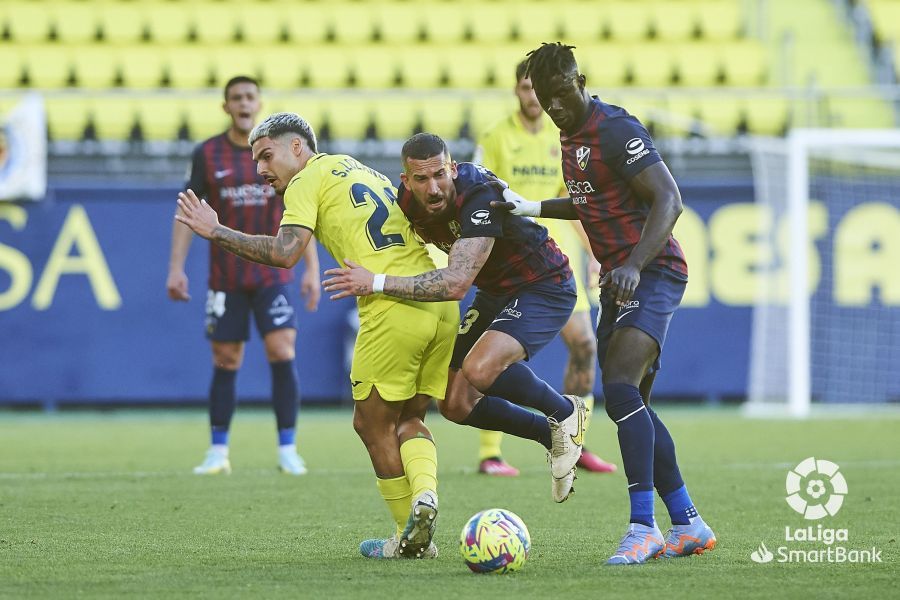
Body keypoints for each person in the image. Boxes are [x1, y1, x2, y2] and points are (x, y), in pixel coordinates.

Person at [175, 112, 457, 560]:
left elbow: (285, 253)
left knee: (370, 424)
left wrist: (216, 230)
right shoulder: (355, 167)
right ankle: (424, 495)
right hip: (438, 299)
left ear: (297, 149)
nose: (262, 170)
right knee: (408, 418)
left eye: (267, 156)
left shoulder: (307, 179)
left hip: (392, 305)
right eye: (255, 161)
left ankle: (410, 537)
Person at [494, 43, 716, 564]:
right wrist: (528, 206)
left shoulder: (615, 128)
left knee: (618, 387)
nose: (556, 108)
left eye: (562, 95)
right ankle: (688, 523)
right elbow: (591, 200)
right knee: (630, 403)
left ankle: (644, 527)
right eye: (547, 101)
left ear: (582, 81)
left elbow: (669, 199)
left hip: (652, 271)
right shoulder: (570, 140)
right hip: (619, 282)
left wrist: (635, 265)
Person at [322, 132, 587, 504]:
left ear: (453, 168)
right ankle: (550, 434)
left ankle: (566, 411)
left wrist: (376, 283)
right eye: (422, 179)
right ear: (406, 181)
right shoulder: (406, 204)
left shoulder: (478, 193)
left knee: (479, 370)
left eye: (440, 175)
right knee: (455, 403)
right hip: (496, 289)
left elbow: (456, 282)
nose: (433, 188)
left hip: (542, 283)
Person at [167, 76, 320, 477]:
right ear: (226, 107)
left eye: (250, 96)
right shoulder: (208, 154)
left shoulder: (281, 155)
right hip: (227, 275)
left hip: (274, 275)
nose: (243, 103)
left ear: (258, 103)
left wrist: (312, 271)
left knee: (283, 351)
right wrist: (176, 267)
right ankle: (218, 451)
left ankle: (288, 448)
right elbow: (188, 213)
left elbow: (303, 216)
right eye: (236, 98)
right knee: (226, 358)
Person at [473, 60, 617, 477]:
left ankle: (576, 440)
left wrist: (594, 252)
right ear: (515, 91)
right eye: (523, 88)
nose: (530, 96)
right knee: (491, 355)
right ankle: (490, 451)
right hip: (509, 258)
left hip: (556, 257)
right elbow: (480, 194)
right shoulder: (496, 137)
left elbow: (572, 203)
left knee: (585, 346)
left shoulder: (563, 138)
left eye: (535, 88)